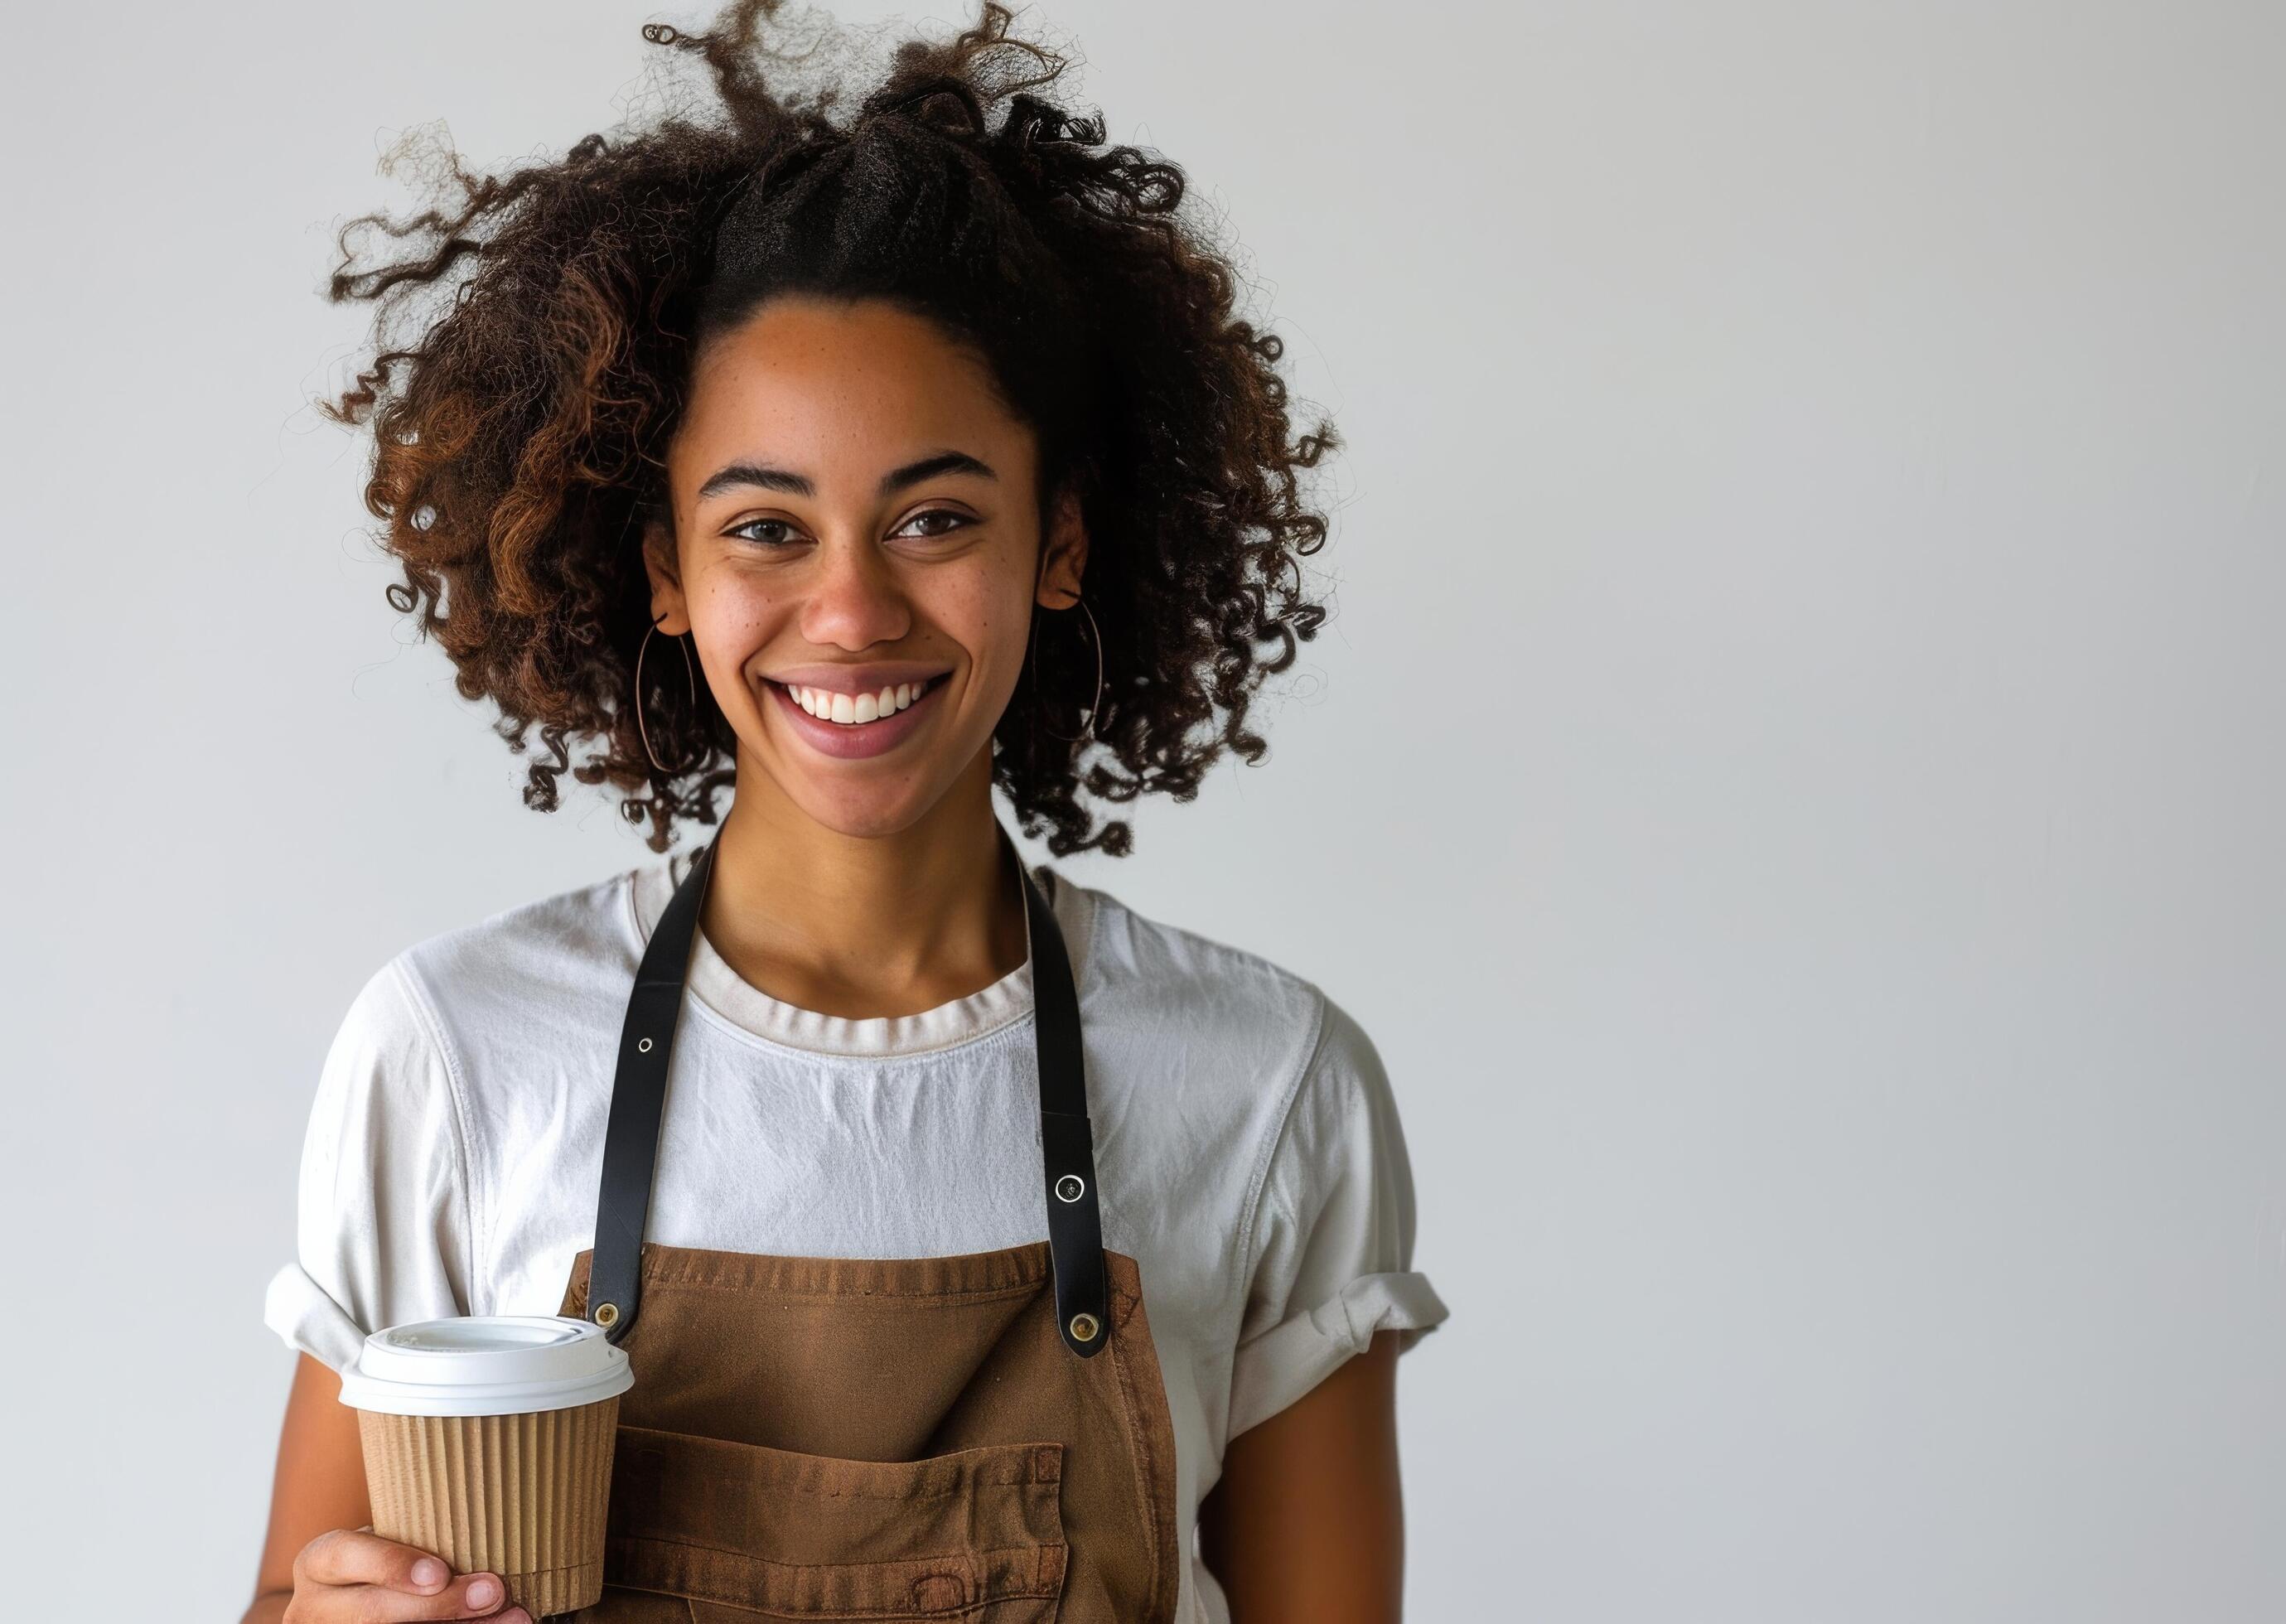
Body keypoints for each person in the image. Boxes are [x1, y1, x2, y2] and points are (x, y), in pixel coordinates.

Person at [241, 4, 1448, 1622]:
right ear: (665, 572)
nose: (854, 611)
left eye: (935, 516)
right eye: (765, 528)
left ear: (1062, 544)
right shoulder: (455, 1057)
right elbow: (287, 1601)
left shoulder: (1267, 1085)